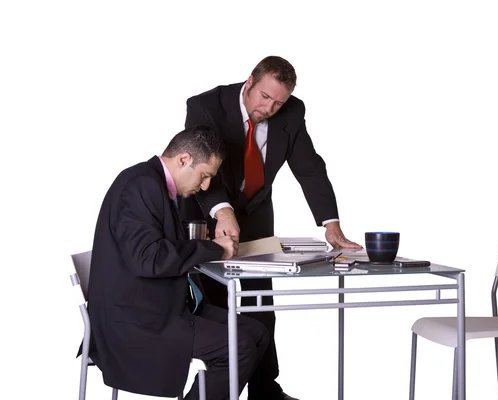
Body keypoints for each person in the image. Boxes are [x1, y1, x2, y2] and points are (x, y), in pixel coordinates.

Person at [179, 56, 362, 400]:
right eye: (264, 97)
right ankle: (217, 389)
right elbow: (204, 168)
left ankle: (265, 389)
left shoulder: (292, 111)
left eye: (279, 102)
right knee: (218, 305)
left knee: (261, 303)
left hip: (257, 216)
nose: (270, 107)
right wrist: (222, 211)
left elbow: (309, 167)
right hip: (207, 213)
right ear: (249, 82)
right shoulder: (206, 105)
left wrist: (330, 223)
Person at [86, 125, 269, 400]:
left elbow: (155, 245)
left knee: (256, 332)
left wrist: (200, 242)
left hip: (161, 305)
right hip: (135, 319)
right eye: (204, 176)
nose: (206, 186)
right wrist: (213, 249)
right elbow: (148, 259)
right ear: (184, 160)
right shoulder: (140, 185)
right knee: (239, 346)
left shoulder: (153, 183)